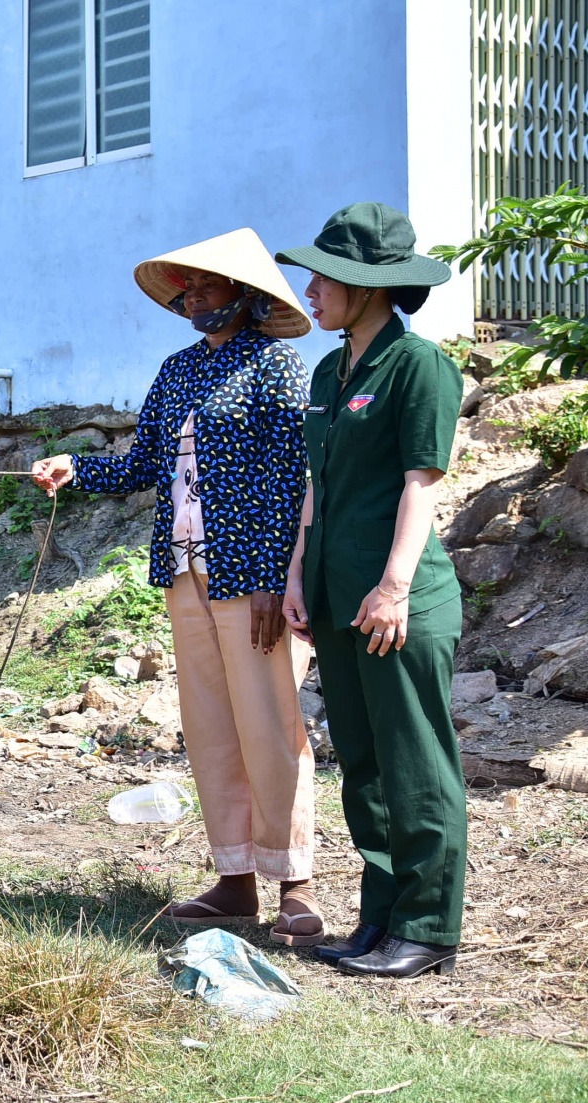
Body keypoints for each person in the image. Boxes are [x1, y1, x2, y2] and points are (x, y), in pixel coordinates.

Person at [32, 229, 325, 945]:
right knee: (213, 729)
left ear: (244, 295)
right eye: (185, 288)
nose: (192, 297)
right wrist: (77, 467)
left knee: (271, 725)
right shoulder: (176, 371)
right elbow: (145, 466)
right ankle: (233, 879)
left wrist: (268, 578)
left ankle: (295, 882)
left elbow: (289, 479)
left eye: (205, 285)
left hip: (249, 579)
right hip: (186, 575)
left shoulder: (275, 367)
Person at [276, 203, 465, 978]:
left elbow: (422, 482)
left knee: (415, 763)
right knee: (362, 763)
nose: (310, 290)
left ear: (368, 285)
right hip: (335, 596)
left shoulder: (418, 367)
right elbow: (319, 486)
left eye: (325, 277)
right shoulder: (330, 371)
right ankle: (381, 918)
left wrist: (393, 587)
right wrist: (296, 574)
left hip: (396, 603)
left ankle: (427, 926)